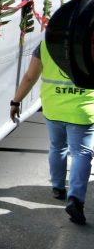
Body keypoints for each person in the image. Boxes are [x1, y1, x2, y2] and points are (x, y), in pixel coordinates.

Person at [10, 41, 94, 225]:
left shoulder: (46, 45)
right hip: (82, 110)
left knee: (57, 146)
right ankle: (75, 199)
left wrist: (16, 102)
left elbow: (29, 77)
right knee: (82, 154)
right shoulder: (90, 39)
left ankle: (57, 187)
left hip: (53, 108)